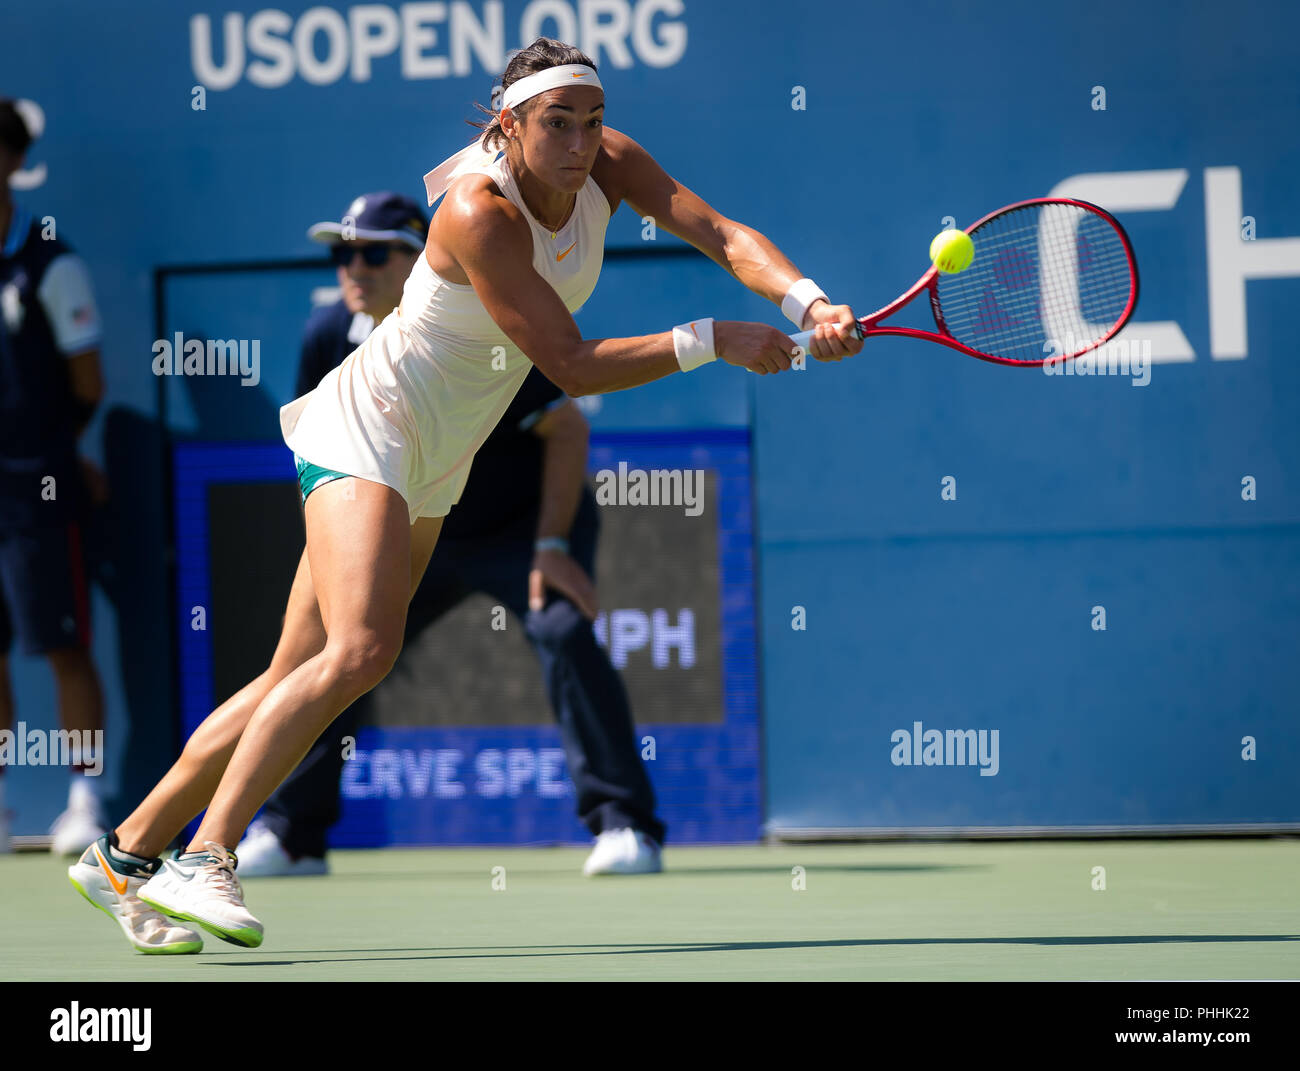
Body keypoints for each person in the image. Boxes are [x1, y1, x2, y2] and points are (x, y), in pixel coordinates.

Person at [67, 36, 862, 954]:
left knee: (294, 674)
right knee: (363, 649)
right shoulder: (478, 211)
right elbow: (566, 363)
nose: (579, 141)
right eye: (555, 123)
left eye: (591, 121)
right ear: (507, 124)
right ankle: (206, 854)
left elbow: (720, 233)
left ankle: (123, 855)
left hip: (444, 450)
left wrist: (806, 302)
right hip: (368, 425)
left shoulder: (611, 161)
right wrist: (711, 337)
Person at [236, 192, 665, 879]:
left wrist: (552, 546)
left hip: (519, 528)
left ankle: (624, 824)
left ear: (421, 259)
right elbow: (319, 450)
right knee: (334, 654)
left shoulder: (481, 324)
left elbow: (566, 427)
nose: (354, 267)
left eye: (374, 252)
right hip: (409, 524)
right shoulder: (326, 335)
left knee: (561, 629)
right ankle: (291, 834)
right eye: (343, 253)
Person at [0, 98, 110, 856]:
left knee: (64, 645)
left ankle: (84, 798)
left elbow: (87, 383)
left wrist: (53, 455)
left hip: (39, 486)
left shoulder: (49, 259)